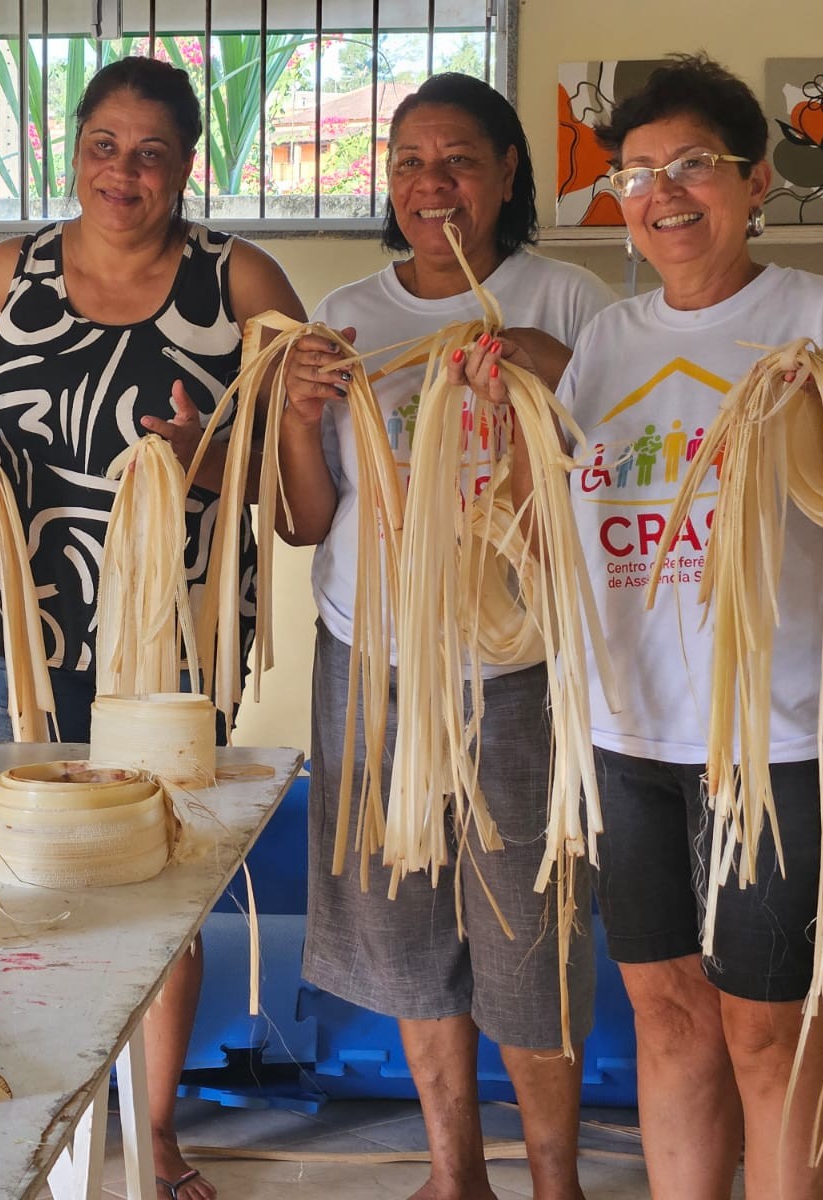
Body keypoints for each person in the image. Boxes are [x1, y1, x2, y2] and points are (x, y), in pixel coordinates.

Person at [461, 54, 823, 1198]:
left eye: (692, 165)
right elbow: (568, 541)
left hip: (774, 735)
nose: (662, 193)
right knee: (663, 1005)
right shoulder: (610, 344)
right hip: (626, 733)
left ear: (754, 180)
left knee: (765, 1024)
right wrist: (512, 454)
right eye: (636, 173)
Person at [0, 55, 305, 1200]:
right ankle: (34, 1116)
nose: (121, 173)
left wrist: (204, 458)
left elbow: (289, 488)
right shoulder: (3, 275)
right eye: (102, 146)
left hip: (173, 645)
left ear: (189, 165)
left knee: (160, 885)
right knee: (23, 868)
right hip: (25, 635)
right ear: (73, 150)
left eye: (150, 152)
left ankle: (154, 1127)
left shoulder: (240, 282)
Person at [278, 73, 616, 1199]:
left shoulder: (569, 299)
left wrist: (551, 374)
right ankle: (452, 1171)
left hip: (518, 663)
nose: (434, 184)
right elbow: (303, 519)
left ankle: (556, 1182)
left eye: (460, 159)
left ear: (508, 171)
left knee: (531, 927)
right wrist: (290, 411)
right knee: (402, 924)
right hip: (367, 657)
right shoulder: (348, 314)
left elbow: (618, 475)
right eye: (411, 161)